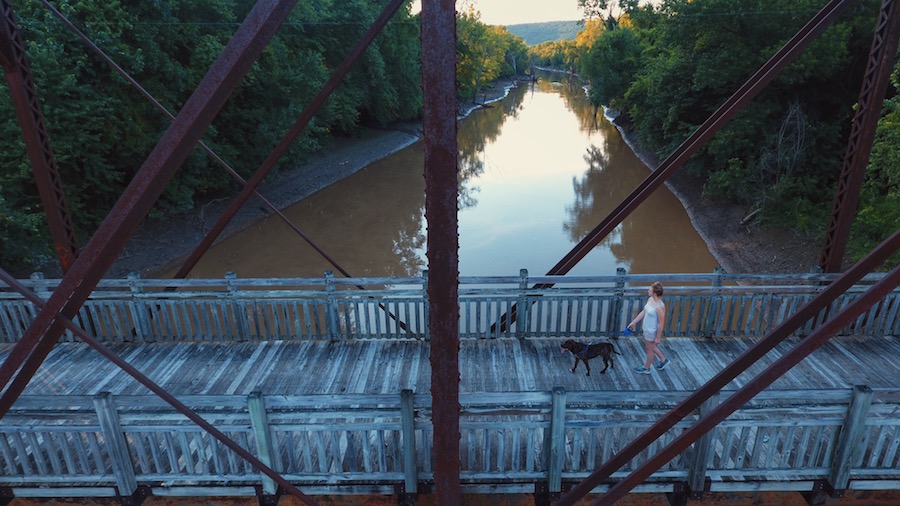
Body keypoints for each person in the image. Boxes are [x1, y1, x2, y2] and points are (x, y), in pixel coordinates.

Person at [628, 281, 670, 374]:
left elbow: (661, 323)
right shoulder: (650, 300)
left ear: (654, 293)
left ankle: (646, 368)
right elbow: (644, 311)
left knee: (649, 348)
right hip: (646, 328)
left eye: (650, 290)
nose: (648, 291)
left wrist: (658, 337)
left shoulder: (660, 307)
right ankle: (663, 360)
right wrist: (634, 322)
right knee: (651, 346)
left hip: (652, 331)